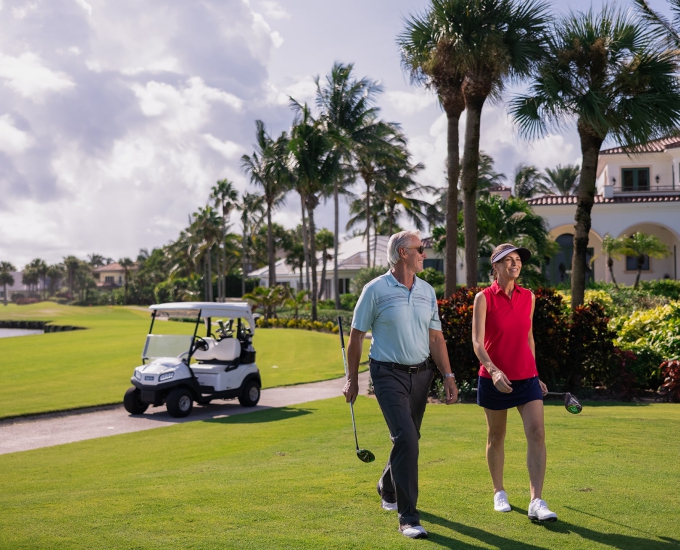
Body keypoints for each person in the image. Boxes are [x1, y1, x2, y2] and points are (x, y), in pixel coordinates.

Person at [343, 230, 458, 539]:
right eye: (420, 249)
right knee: (406, 438)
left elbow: (436, 337)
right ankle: (408, 517)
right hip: (386, 374)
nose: (424, 254)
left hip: (421, 375)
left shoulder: (427, 291)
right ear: (403, 253)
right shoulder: (375, 290)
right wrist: (352, 379)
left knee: (409, 438)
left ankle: (387, 483)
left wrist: (448, 375)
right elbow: (356, 337)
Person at [471, 243, 557, 522]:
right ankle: (499, 491)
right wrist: (494, 371)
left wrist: (535, 373)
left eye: (517, 260)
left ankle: (537, 501)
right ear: (494, 267)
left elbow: (528, 337)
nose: (514, 264)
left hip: (526, 378)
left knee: (538, 433)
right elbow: (477, 342)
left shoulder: (529, 296)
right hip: (494, 380)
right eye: (507, 260)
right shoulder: (483, 298)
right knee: (496, 436)